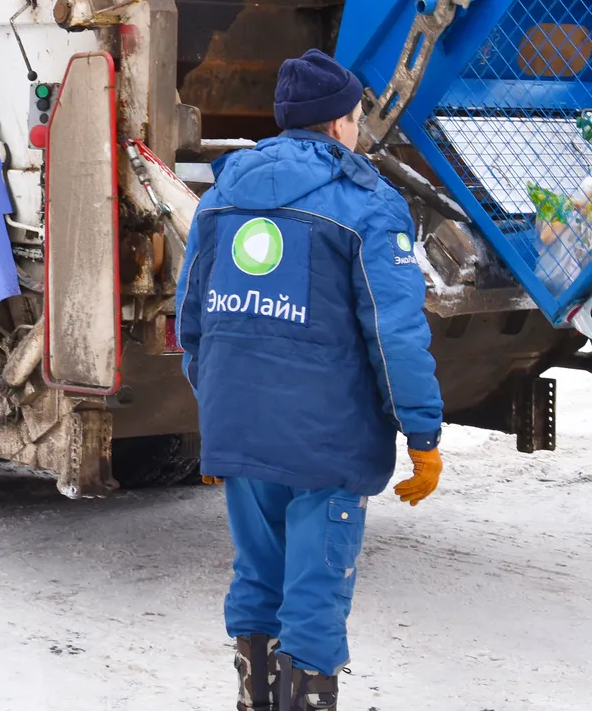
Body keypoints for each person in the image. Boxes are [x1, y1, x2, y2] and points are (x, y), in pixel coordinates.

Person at [176, 49, 445, 710]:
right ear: (335, 124)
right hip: (328, 439)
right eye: (355, 116)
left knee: (258, 577)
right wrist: (422, 435)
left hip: (242, 428)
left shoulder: (220, 197)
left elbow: (193, 322)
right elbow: (395, 335)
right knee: (315, 592)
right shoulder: (368, 205)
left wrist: (219, 416)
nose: (358, 128)